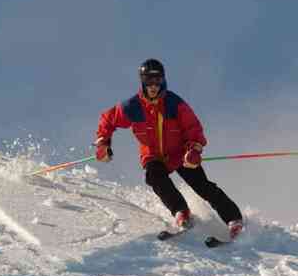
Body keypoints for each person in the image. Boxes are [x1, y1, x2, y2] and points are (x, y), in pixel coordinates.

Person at [95, 58, 243, 239]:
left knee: (201, 185)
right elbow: (107, 120)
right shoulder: (133, 107)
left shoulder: (174, 103)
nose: (153, 86)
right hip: (153, 155)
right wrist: (103, 142)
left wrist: (194, 149)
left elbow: (193, 127)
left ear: (163, 80)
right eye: (149, 81)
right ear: (143, 82)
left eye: (157, 81)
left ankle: (234, 220)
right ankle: (181, 212)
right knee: (154, 177)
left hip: (180, 153)